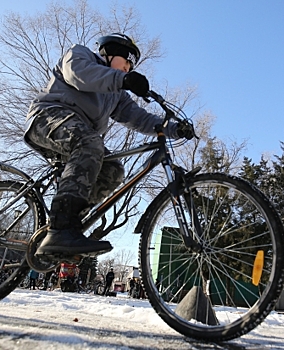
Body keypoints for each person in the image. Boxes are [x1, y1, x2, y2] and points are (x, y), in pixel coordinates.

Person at [24, 33, 194, 260]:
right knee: (90, 142)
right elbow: (79, 74)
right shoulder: (80, 55)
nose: (127, 69)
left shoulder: (115, 95)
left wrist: (174, 129)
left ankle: (70, 225)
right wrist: (123, 80)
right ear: (110, 53)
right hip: (48, 117)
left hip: (80, 136)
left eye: (129, 67)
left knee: (113, 170)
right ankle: (61, 226)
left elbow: (138, 117)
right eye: (126, 62)